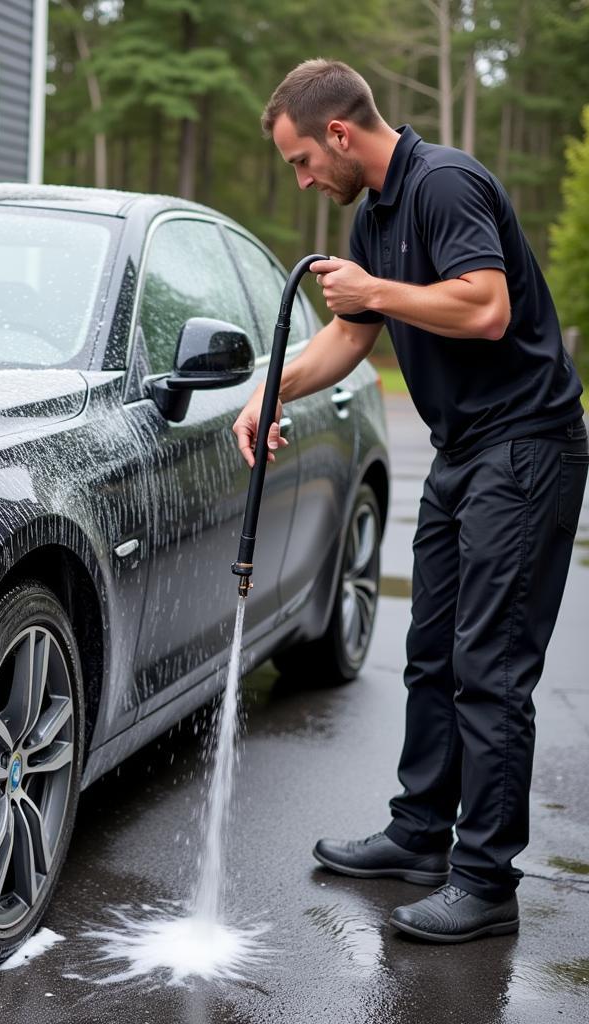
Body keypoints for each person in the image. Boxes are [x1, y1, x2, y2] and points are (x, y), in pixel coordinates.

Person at [233, 58, 588, 944]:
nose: (305, 180)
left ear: (341, 135)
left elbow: (486, 309)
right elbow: (350, 340)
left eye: (303, 161)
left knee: (491, 669)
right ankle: (419, 835)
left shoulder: (446, 185)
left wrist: (377, 292)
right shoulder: (375, 215)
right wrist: (270, 392)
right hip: (464, 449)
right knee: (431, 651)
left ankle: (485, 883)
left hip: (529, 445)